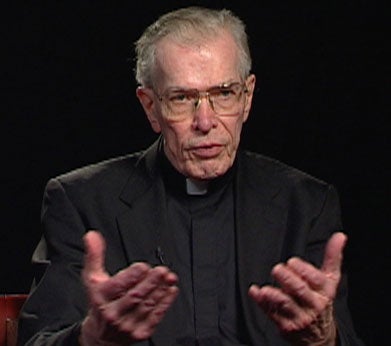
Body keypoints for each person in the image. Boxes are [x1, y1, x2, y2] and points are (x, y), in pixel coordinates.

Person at [18, 6, 364, 346]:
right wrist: (91, 338)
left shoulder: (307, 204)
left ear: (247, 98)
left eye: (224, 93)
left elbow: (343, 338)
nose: (205, 122)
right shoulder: (81, 203)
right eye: (182, 98)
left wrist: (324, 339)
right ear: (150, 107)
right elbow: (37, 340)